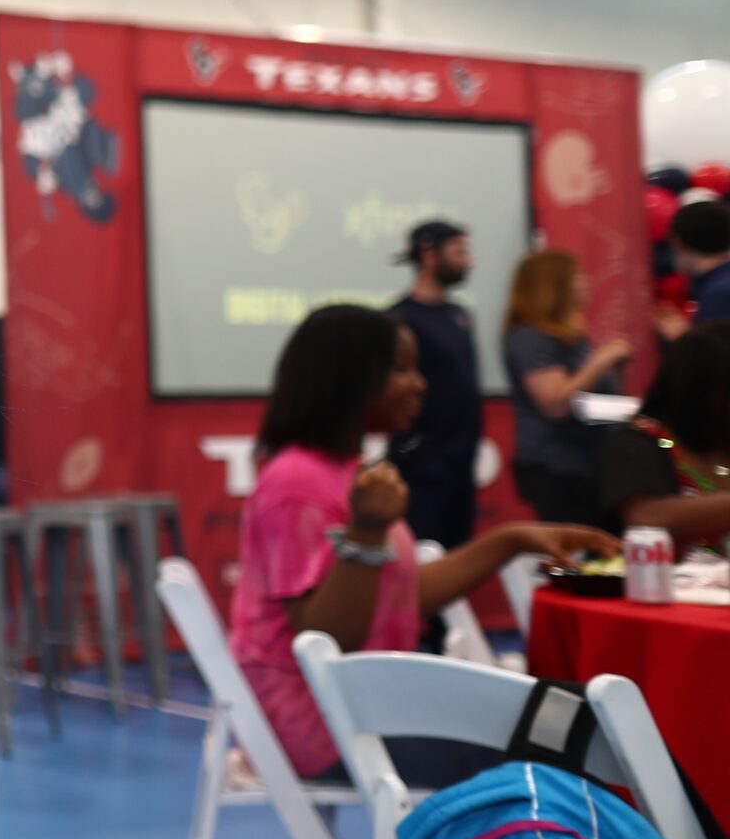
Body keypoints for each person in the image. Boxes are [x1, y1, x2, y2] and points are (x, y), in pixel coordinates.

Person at [231, 304, 614, 783]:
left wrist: (511, 541)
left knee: (569, 720)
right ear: (349, 379)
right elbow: (327, 640)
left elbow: (401, 594)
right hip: (328, 732)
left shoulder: (342, 472)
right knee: (571, 745)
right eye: (401, 369)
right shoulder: (296, 484)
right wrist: (367, 533)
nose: (420, 384)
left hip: (367, 710)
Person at [502, 250, 631, 526]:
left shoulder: (571, 335)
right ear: (553, 286)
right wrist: (599, 362)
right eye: (576, 277)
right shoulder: (531, 338)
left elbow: (593, 396)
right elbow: (556, 403)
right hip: (558, 469)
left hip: (589, 463)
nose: (585, 283)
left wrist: (614, 372)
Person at [387, 219, 482, 550]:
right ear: (429, 254)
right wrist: (413, 449)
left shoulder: (461, 315)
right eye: (458, 252)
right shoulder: (400, 318)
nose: (467, 261)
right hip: (422, 472)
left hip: (461, 467)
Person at [600, 321, 730, 556]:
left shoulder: (719, 444)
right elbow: (646, 519)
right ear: (703, 388)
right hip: (646, 588)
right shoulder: (639, 443)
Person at [662, 199, 730, 338]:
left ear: (677, 243)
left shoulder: (719, 294)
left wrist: (681, 338)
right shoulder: (719, 285)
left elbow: (714, 356)